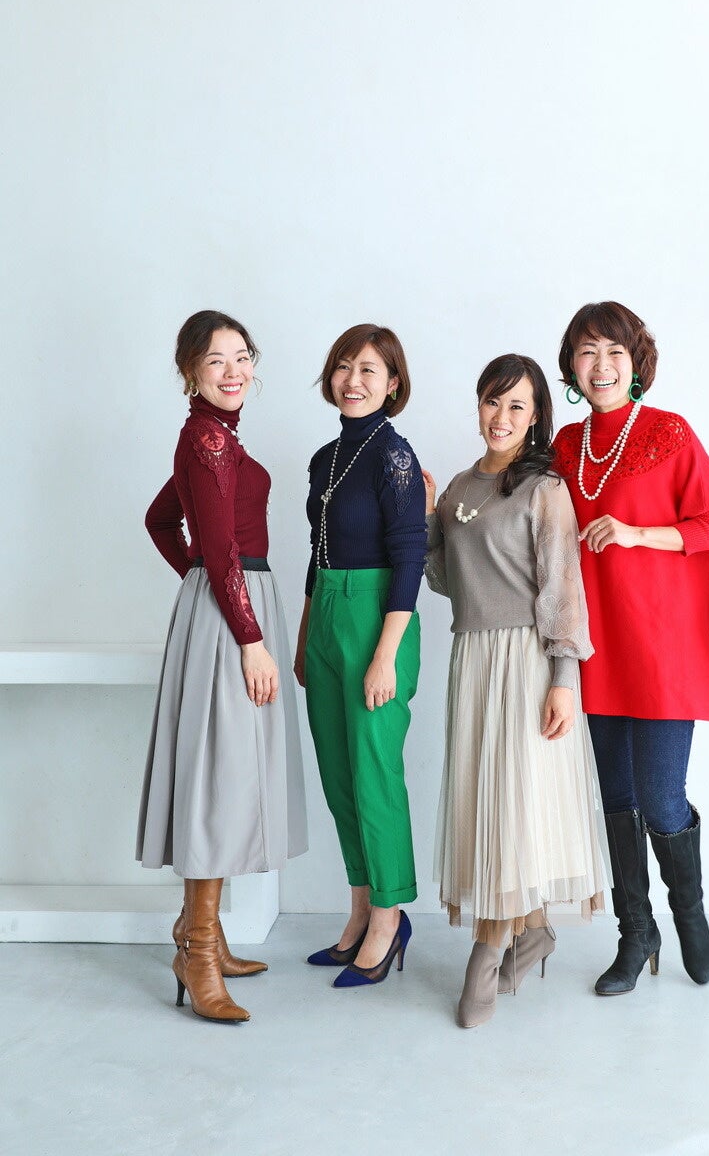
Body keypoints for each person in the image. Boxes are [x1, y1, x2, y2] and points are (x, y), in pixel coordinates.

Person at [553, 300, 709, 995]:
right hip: (596, 645)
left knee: (661, 800)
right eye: (586, 351)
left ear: (635, 363)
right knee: (616, 798)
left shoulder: (668, 432)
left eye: (614, 352)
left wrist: (635, 534)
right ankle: (636, 934)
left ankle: (688, 913)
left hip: (660, 646)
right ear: (571, 366)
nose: (600, 365)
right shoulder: (566, 446)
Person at [424, 354, 611, 1028]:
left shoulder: (544, 488)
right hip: (472, 658)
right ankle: (531, 934)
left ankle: (485, 954)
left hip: (527, 659)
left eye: (516, 406)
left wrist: (564, 678)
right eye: (491, 401)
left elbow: (563, 589)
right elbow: (445, 581)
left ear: (535, 418)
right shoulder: (457, 487)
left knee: (514, 804)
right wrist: (428, 519)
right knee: (489, 803)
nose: (500, 417)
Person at [138, 310, 307, 1023]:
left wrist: (199, 581)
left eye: (242, 357)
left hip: (228, 606)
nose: (234, 371)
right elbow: (218, 547)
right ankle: (199, 952)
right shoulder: (207, 439)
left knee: (226, 775)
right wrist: (247, 634)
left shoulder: (215, 438)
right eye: (216, 361)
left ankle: (198, 932)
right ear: (190, 372)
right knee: (218, 778)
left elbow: (161, 519)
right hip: (236, 619)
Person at [295, 324, 425, 988]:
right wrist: (303, 635)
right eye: (344, 366)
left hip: (378, 618)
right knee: (338, 774)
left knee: (374, 774)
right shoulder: (325, 458)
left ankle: (388, 915)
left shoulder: (393, 456)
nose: (353, 380)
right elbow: (316, 552)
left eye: (369, 369)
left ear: (393, 383)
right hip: (326, 614)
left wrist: (384, 655)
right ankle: (357, 909)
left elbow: (410, 556)